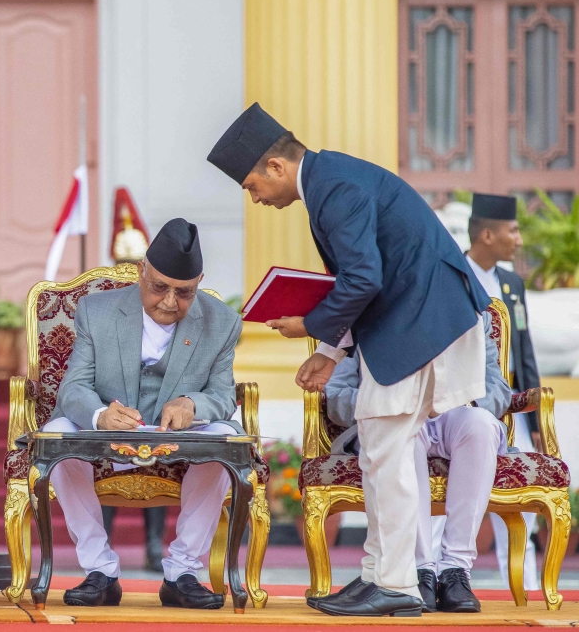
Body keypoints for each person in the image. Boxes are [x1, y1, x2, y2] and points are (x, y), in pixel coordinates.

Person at [208, 104, 490, 617]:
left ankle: (398, 585)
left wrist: (309, 325)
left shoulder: (334, 189)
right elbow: (358, 282)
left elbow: (363, 280)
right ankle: (380, 576)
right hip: (418, 321)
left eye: (251, 185)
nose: (253, 197)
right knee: (383, 449)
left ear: (275, 167)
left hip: (425, 324)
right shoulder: (331, 179)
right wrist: (328, 353)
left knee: (386, 448)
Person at [42, 218, 243, 609]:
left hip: (180, 436)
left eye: (184, 292)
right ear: (141, 273)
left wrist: (193, 404)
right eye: (159, 288)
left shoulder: (222, 322)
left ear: (199, 281)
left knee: (227, 440)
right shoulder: (95, 311)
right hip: (108, 432)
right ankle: (100, 570)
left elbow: (222, 395)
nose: (170, 301)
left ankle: (182, 571)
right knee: (57, 433)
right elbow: (74, 388)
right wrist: (100, 415)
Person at [324, 311, 511, 613]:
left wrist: (457, 400)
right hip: (393, 413)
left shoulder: (471, 315)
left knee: (481, 425)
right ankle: (420, 570)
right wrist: (395, 403)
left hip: (454, 413)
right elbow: (335, 396)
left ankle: (455, 571)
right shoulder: (365, 311)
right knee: (400, 431)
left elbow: (497, 388)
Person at [465, 193, 542, 591]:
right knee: (445, 501)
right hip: (460, 407)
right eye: (514, 230)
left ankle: (524, 587)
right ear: (488, 234)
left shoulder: (511, 283)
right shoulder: (453, 274)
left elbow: (523, 352)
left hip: (511, 408)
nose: (519, 239)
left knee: (520, 501)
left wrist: (534, 412)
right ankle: (441, 577)